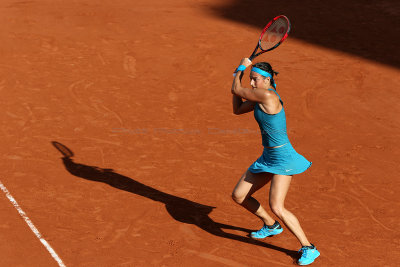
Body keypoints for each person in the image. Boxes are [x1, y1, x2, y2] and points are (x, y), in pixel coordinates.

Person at [230, 58, 320, 265]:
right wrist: (236, 83)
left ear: (267, 80)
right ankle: (270, 226)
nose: (251, 83)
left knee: (277, 206)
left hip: (283, 158)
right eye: (250, 80)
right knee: (239, 195)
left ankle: (309, 247)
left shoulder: (267, 95)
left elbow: (238, 89)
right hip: (268, 156)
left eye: (255, 79)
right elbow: (237, 109)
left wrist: (240, 70)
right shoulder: (259, 96)